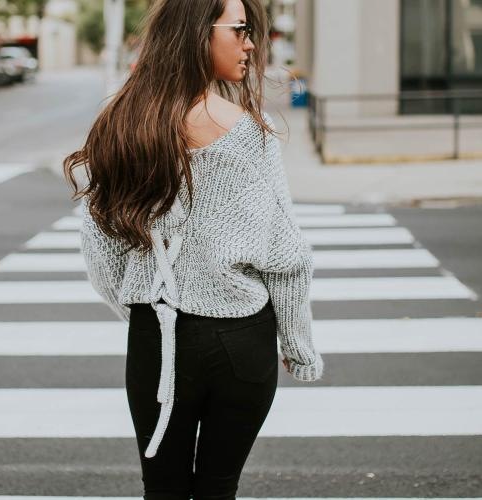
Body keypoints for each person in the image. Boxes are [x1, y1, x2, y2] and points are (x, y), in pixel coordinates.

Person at [63, 0, 324, 498]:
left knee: (161, 491)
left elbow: (99, 248)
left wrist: (142, 310)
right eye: (240, 30)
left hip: (156, 339)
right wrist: (297, 344)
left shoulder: (122, 124)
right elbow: (287, 254)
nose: (250, 44)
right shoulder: (251, 134)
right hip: (240, 341)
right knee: (218, 488)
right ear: (199, 32)